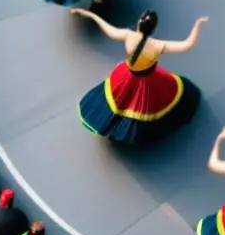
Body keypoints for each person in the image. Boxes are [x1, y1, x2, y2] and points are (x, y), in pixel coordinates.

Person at [72, 8, 204, 144]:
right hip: (147, 81)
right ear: (153, 29)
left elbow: (108, 29)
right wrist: (198, 25)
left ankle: (110, 125)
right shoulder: (157, 45)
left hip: (127, 75)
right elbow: (187, 44)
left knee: (119, 101)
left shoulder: (128, 36)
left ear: (139, 23)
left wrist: (91, 15)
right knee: (143, 106)